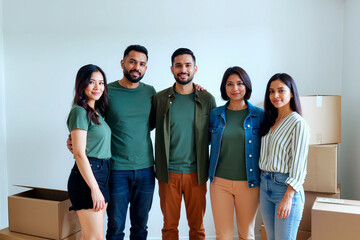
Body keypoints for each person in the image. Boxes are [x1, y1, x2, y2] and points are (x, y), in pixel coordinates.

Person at [68, 45, 156, 240]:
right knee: (115, 228)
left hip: (146, 170)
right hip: (116, 170)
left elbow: (151, 123)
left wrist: (196, 88)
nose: (136, 67)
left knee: (141, 227)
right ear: (123, 63)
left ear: (146, 68)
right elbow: (89, 121)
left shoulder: (150, 92)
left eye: (142, 64)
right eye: (132, 61)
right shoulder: (107, 92)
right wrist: (73, 141)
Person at [151, 48, 216, 240]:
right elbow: (142, 126)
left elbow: (216, 134)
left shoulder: (206, 99)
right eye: (178, 65)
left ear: (195, 68)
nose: (183, 69)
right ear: (172, 69)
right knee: (169, 228)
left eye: (188, 65)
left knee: (197, 228)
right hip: (167, 173)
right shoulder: (160, 99)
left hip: (196, 174)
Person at [208, 66, 264, 240]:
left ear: (246, 86)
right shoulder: (215, 114)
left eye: (240, 83)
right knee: (223, 235)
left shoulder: (259, 115)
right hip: (219, 183)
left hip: (249, 183)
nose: (235, 89)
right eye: (230, 84)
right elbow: (204, 141)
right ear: (224, 88)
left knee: (246, 234)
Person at [258, 73, 310, 240]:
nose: (275, 96)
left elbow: (299, 164)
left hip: (286, 188)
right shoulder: (270, 120)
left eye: (281, 90)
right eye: (271, 91)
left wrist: (288, 196)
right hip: (265, 186)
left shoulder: (298, 123)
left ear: (292, 93)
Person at [67, 64, 111, 240]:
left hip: (103, 172)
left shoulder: (96, 112)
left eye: (101, 83)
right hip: (89, 176)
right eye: (91, 82)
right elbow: (78, 153)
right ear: (82, 84)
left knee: (89, 236)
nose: (97, 87)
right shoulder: (79, 111)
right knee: (95, 237)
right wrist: (94, 188)